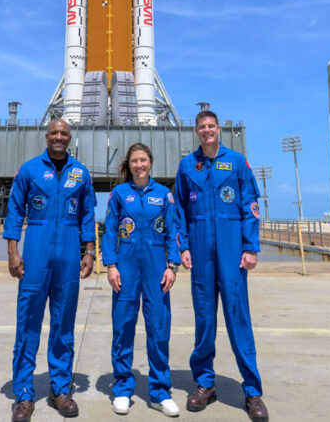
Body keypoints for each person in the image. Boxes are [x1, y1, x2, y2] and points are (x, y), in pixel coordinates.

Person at [173, 110, 269, 422]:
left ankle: (252, 391)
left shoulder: (237, 162)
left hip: (231, 249)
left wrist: (250, 247)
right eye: (201, 127)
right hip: (200, 251)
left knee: (238, 318)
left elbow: (250, 205)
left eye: (211, 126)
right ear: (196, 132)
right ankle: (204, 383)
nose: (207, 131)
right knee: (204, 319)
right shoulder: (188, 165)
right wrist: (183, 248)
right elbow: (180, 211)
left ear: (218, 129)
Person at [4, 119, 97, 422]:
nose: (59, 137)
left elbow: (86, 215)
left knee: (63, 325)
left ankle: (60, 389)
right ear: (47, 137)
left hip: (69, 253)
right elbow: (15, 210)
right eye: (54, 133)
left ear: (70, 138)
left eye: (64, 134)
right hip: (36, 251)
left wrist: (89, 251)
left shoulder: (80, 173)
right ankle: (23, 394)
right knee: (28, 323)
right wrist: (12, 250)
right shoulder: (29, 170)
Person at [102, 143, 184, 417]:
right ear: (129, 163)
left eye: (144, 160)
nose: (140, 165)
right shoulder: (119, 194)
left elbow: (173, 231)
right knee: (123, 326)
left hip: (156, 266)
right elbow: (110, 231)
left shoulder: (164, 195)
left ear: (151, 162)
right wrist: (111, 266)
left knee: (159, 327)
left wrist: (172, 266)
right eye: (135, 160)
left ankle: (160, 391)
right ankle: (123, 388)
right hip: (125, 266)